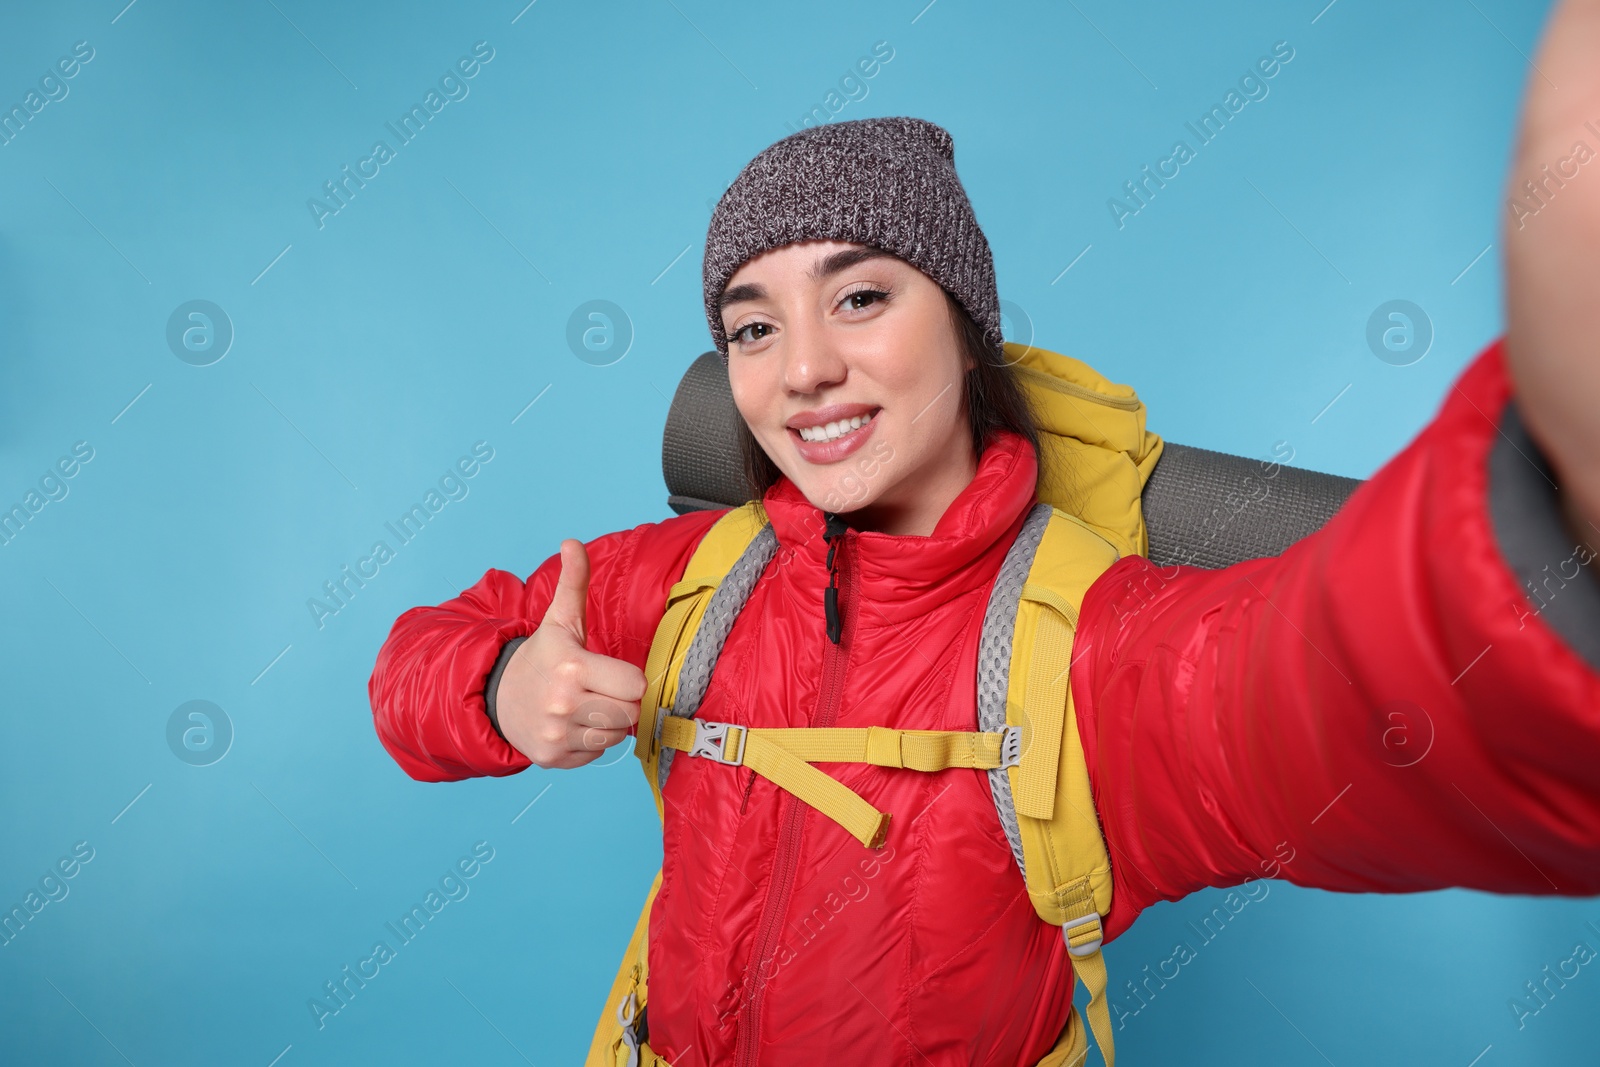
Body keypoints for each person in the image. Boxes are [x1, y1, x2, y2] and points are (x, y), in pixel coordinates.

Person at [367, 4, 1600, 1063]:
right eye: (751, 326)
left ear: (964, 327)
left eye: (860, 297)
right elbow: (416, 659)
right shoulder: (687, 580)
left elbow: (1345, 699)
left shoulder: (1091, 655)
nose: (802, 369)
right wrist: (498, 679)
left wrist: (1560, 501)